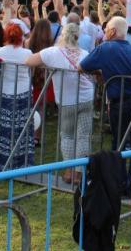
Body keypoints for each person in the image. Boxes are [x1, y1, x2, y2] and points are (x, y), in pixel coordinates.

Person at [26, 22, 94, 185]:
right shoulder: (85, 53)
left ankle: (69, 171)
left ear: (62, 35)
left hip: (67, 100)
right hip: (86, 97)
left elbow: (29, 61)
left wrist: (48, 64)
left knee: (67, 135)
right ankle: (79, 172)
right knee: (83, 136)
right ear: (77, 37)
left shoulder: (53, 52)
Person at [79, 16, 131, 155]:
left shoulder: (104, 48)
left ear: (113, 31)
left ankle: (119, 169)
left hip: (120, 103)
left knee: (119, 143)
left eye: (106, 29)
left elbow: (81, 67)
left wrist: (99, 72)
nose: (104, 32)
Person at [0, 23, 33, 170]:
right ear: (21, 36)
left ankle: (1, 162)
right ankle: (22, 163)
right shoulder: (27, 53)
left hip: (4, 91)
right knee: (22, 128)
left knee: (2, 128)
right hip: (23, 92)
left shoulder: (0, 51)